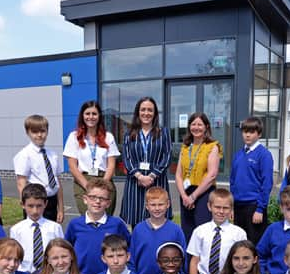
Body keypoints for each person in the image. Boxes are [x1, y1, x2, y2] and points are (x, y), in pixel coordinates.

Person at [65, 178, 131, 274]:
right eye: (93, 197)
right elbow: (67, 249)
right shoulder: (75, 225)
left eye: (102, 198)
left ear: (108, 203)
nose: (97, 201)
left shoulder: (116, 224)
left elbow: (129, 247)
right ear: (85, 199)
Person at [120, 97, 172, 227]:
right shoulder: (129, 133)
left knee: (158, 220)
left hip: (157, 181)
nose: (146, 113)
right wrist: (139, 176)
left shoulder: (163, 132)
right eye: (143, 110)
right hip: (135, 183)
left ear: (155, 113)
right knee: (136, 222)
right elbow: (127, 158)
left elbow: (167, 156)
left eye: (150, 110)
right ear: (138, 112)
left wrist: (152, 175)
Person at [63, 101, 120, 215]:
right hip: (83, 181)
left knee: (105, 220)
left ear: (99, 116)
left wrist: (103, 185)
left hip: (104, 179)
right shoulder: (74, 137)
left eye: (94, 114)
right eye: (87, 113)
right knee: (88, 218)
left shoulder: (108, 137)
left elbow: (111, 164)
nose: (91, 117)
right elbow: (72, 166)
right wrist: (87, 186)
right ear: (82, 116)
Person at [175, 112, 222, 242]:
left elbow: (212, 175)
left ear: (206, 126)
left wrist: (193, 196)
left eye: (200, 124)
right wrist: (184, 196)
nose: (196, 127)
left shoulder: (213, 147)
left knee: (202, 232)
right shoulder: (185, 147)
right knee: (187, 231)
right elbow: (178, 174)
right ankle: (189, 261)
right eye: (193, 124)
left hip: (203, 194)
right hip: (186, 194)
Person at [129, 187, 187, 274]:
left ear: (167, 204)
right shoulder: (138, 229)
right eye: (153, 205)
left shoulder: (176, 230)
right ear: (147, 206)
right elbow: (132, 257)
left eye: (160, 204)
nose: (157, 208)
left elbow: (183, 257)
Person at [229, 117, 273, 244]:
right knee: (239, 244)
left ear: (259, 134)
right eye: (245, 131)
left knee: (254, 244)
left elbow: (267, 184)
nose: (247, 135)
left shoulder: (264, 155)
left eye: (252, 132)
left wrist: (260, 209)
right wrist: (231, 206)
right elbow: (233, 181)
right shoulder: (238, 155)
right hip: (238, 206)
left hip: (254, 207)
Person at [13, 114, 64, 223]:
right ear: (28, 133)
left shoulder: (52, 154)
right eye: (35, 132)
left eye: (43, 131)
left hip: (52, 202)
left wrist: (61, 208)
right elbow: (21, 183)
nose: (39, 135)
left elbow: (57, 182)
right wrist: (29, 207)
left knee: (52, 235)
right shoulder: (25, 155)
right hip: (35, 203)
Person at [9, 184, 63, 274]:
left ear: (45, 204)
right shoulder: (16, 229)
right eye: (30, 206)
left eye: (39, 206)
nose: (35, 211)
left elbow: (61, 252)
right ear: (22, 205)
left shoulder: (55, 228)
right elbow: (14, 254)